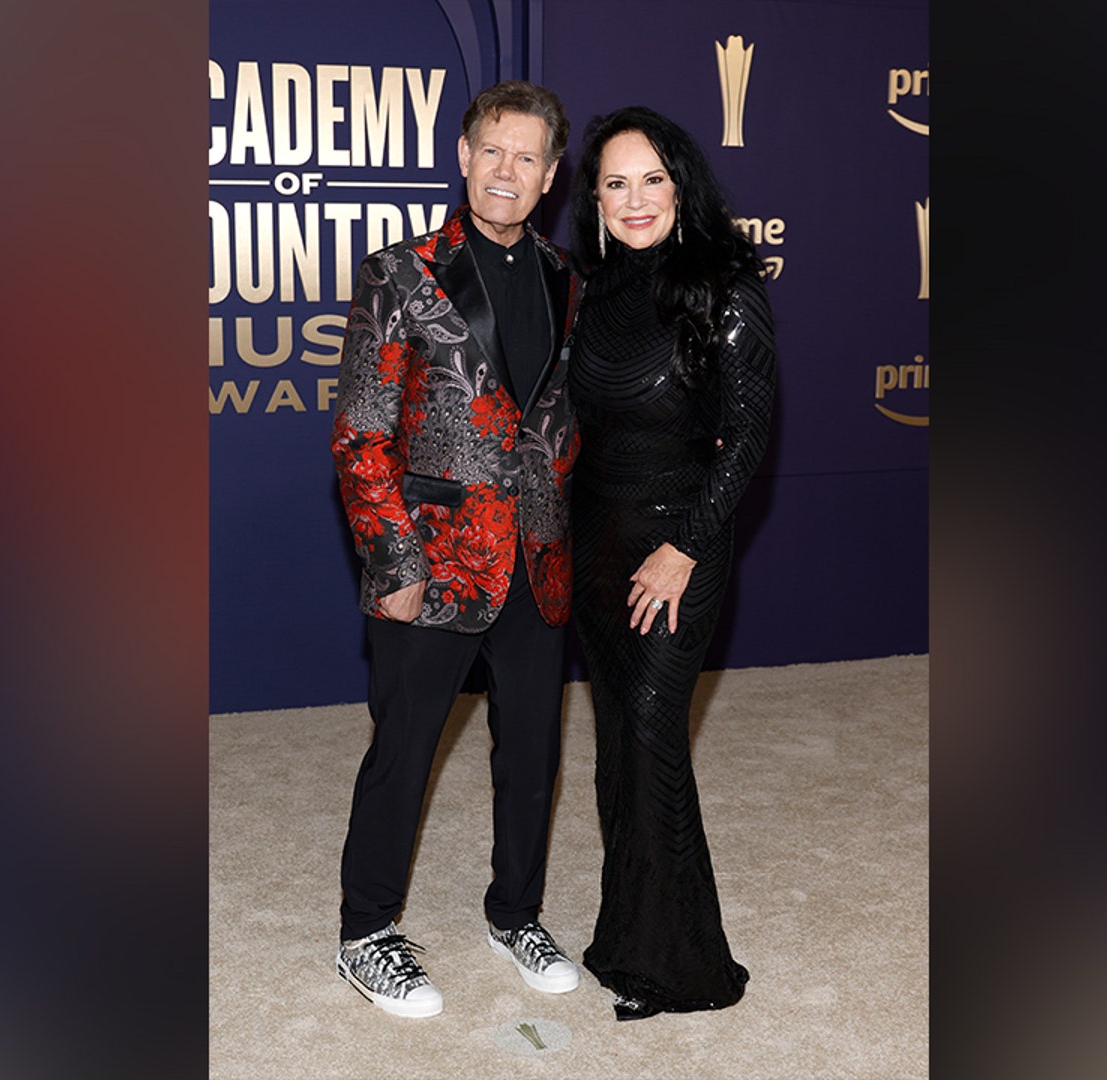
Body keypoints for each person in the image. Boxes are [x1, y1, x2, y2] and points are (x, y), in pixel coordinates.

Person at [328, 80, 584, 1019]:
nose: (507, 171)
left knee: (533, 752)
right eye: (493, 151)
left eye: (528, 157)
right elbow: (361, 435)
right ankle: (366, 932)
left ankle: (516, 911)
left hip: (537, 561)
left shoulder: (570, 280)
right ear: (464, 157)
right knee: (403, 748)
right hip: (430, 565)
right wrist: (392, 563)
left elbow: (561, 425)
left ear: (551, 176)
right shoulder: (404, 273)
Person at [564, 106, 777, 1021]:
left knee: (651, 735)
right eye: (616, 182)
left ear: (682, 185)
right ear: (596, 199)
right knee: (617, 746)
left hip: (678, 548)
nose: (635, 198)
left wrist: (684, 548)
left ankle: (679, 966)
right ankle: (627, 940)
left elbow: (748, 437)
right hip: (597, 551)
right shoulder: (589, 290)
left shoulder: (725, 286)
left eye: (652, 178)